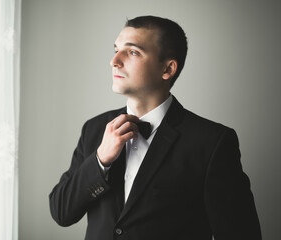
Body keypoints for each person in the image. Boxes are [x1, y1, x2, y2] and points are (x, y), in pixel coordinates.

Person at [49, 16, 261, 240]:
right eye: (116, 49)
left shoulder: (212, 143)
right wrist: (101, 160)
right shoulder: (94, 129)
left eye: (132, 52)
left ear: (168, 69)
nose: (114, 61)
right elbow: (62, 212)